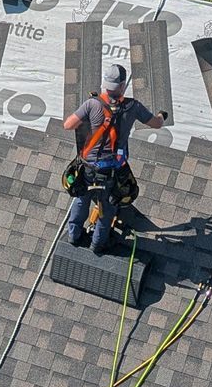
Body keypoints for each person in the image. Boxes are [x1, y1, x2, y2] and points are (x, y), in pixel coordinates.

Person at [61, 63, 166, 254]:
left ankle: (73, 236)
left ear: (105, 84)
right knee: (106, 210)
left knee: (80, 200)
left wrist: (89, 117)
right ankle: (97, 244)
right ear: (122, 85)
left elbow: (68, 125)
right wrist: (161, 115)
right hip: (111, 172)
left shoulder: (92, 104)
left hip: (87, 168)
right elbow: (156, 124)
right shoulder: (133, 107)